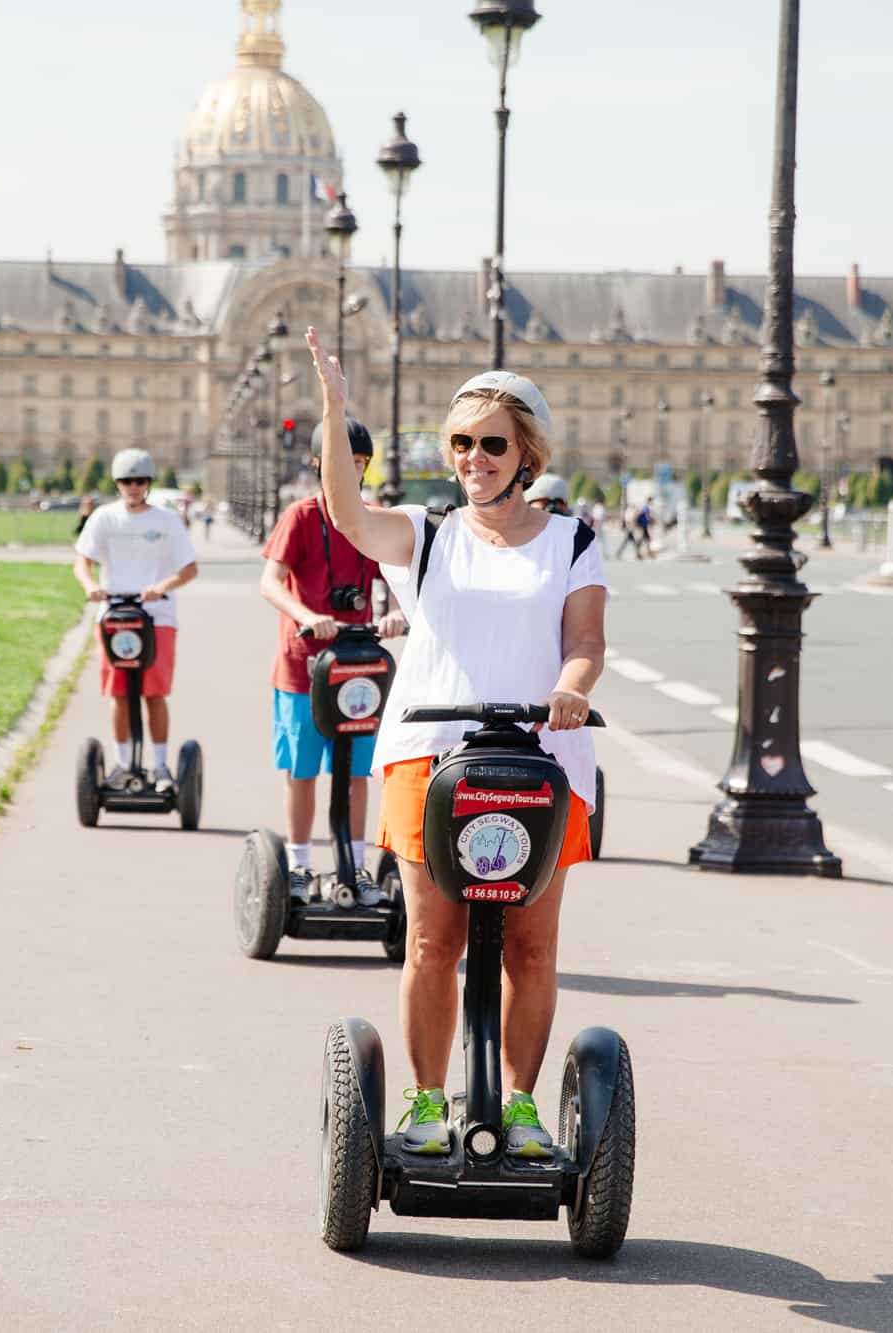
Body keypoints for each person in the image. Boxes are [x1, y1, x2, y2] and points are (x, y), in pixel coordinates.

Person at [307, 327, 606, 1161]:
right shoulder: (425, 532)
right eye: (462, 442)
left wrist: (572, 689)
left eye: (492, 443)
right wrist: (336, 412)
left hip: (542, 757)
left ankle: (518, 1106)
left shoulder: (572, 540)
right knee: (432, 938)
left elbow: (586, 638)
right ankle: (429, 1101)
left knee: (532, 943)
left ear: (527, 453)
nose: (474, 457)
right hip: (426, 751)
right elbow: (345, 512)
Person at [258, 419, 407, 906]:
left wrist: (396, 615)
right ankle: (300, 863)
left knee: (357, 773)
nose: (353, 471)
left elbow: (402, 581)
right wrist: (306, 616)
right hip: (304, 669)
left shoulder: (371, 519)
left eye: (360, 463)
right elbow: (271, 581)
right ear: (320, 463)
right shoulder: (301, 517)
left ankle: (355, 863)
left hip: (358, 668)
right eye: (343, 462)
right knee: (302, 771)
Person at [73, 448, 199, 788]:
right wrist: (90, 586)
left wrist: (163, 586)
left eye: (140, 481)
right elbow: (82, 561)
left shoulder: (166, 521)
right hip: (114, 614)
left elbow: (189, 569)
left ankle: (160, 767)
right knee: (120, 694)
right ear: (117, 483)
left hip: (157, 617)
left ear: (149, 483)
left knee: (153, 693)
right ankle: (122, 764)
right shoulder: (104, 518)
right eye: (127, 481)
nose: (133, 487)